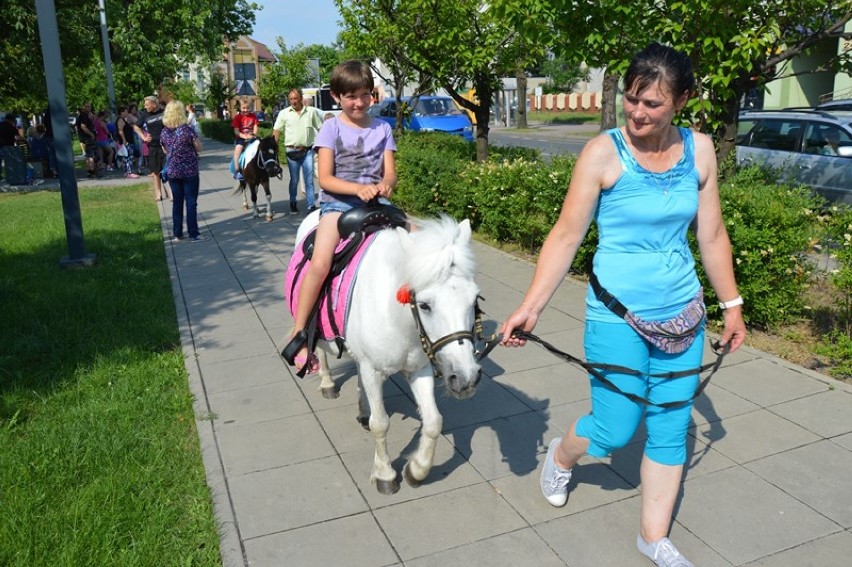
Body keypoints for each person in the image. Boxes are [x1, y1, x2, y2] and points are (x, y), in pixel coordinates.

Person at [500, 43, 746, 567]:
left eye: (652, 104)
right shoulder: (602, 154)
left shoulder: (700, 151)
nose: (636, 112)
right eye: (632, 99)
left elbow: (713, 233)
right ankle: (562, 456)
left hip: (684, 312)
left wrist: (732, 305)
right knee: (615, 427)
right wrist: (530, 307)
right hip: (616, 315)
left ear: (681, 101)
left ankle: (652, 537)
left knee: (671, 422)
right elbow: (566, 237)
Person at [282, 59, 397, 374]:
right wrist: (358, 189)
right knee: (320, 264)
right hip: (338, 206)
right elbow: (325, 180)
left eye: (364, 95)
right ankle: (300, 331)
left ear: (371, 95)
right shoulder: (330, 128)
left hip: (376, 203)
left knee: (420, 241)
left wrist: (383, 186)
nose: (358, 102)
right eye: (350, 96)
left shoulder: (383, 128)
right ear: (336, 97)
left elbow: (390, 175)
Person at [273, 88, 324, 214]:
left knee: (309, 179)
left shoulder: (311, 112)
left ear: (301, 98)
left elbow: (320, 127)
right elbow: (276, 130)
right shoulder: (284, 113)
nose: (293, 101)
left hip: (307, 150)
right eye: (291, 99)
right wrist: (273, 148)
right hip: (291, 151)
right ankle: (293, 202)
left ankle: (310, 205)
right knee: (294, 179)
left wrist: (323, 146)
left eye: (295, 98)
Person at [160, 100, 205, 242]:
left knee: (177, 203)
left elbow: (164, 150)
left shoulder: (164, 131)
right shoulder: (187, 130)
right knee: (191, 203)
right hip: (190, 171)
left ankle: (177, 234)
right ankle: (194, 234)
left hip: (173, 171)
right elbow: (198, 148)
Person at [133, 95, 171, 201]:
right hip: (152, 146)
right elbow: (136, 126)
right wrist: (143, 137)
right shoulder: (145, 114)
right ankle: (158, 193)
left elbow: (172, 125)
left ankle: (169, 191)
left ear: (154, 104)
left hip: (165, 146)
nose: (145, 107)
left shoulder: (164, 113)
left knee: (167, 170)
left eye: (147, 105)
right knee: (155, 171)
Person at [231, 99, 258, 179]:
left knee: (260, 147)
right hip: (241, 138)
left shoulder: (253, 116)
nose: (246, 110)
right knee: (238, 149)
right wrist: (243, 136)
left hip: (251, 136)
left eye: (248, 108)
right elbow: (236, 131)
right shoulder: (237, 117)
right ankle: (237, 170)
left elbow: (255, 126)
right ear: (240, 108)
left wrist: (253, 134)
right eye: (243, 108)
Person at [76, 103, 100, 178]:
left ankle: (89, 171)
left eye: (90, 106)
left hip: (85, 137)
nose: (89, 108)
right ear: (83, 107)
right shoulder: (84, 116)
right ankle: (92, 171)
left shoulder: (82, 115)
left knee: (87, 155)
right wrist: (91, 134)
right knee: (91, 155)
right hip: (88, 138)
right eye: (87, 106)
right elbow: (83, 127)